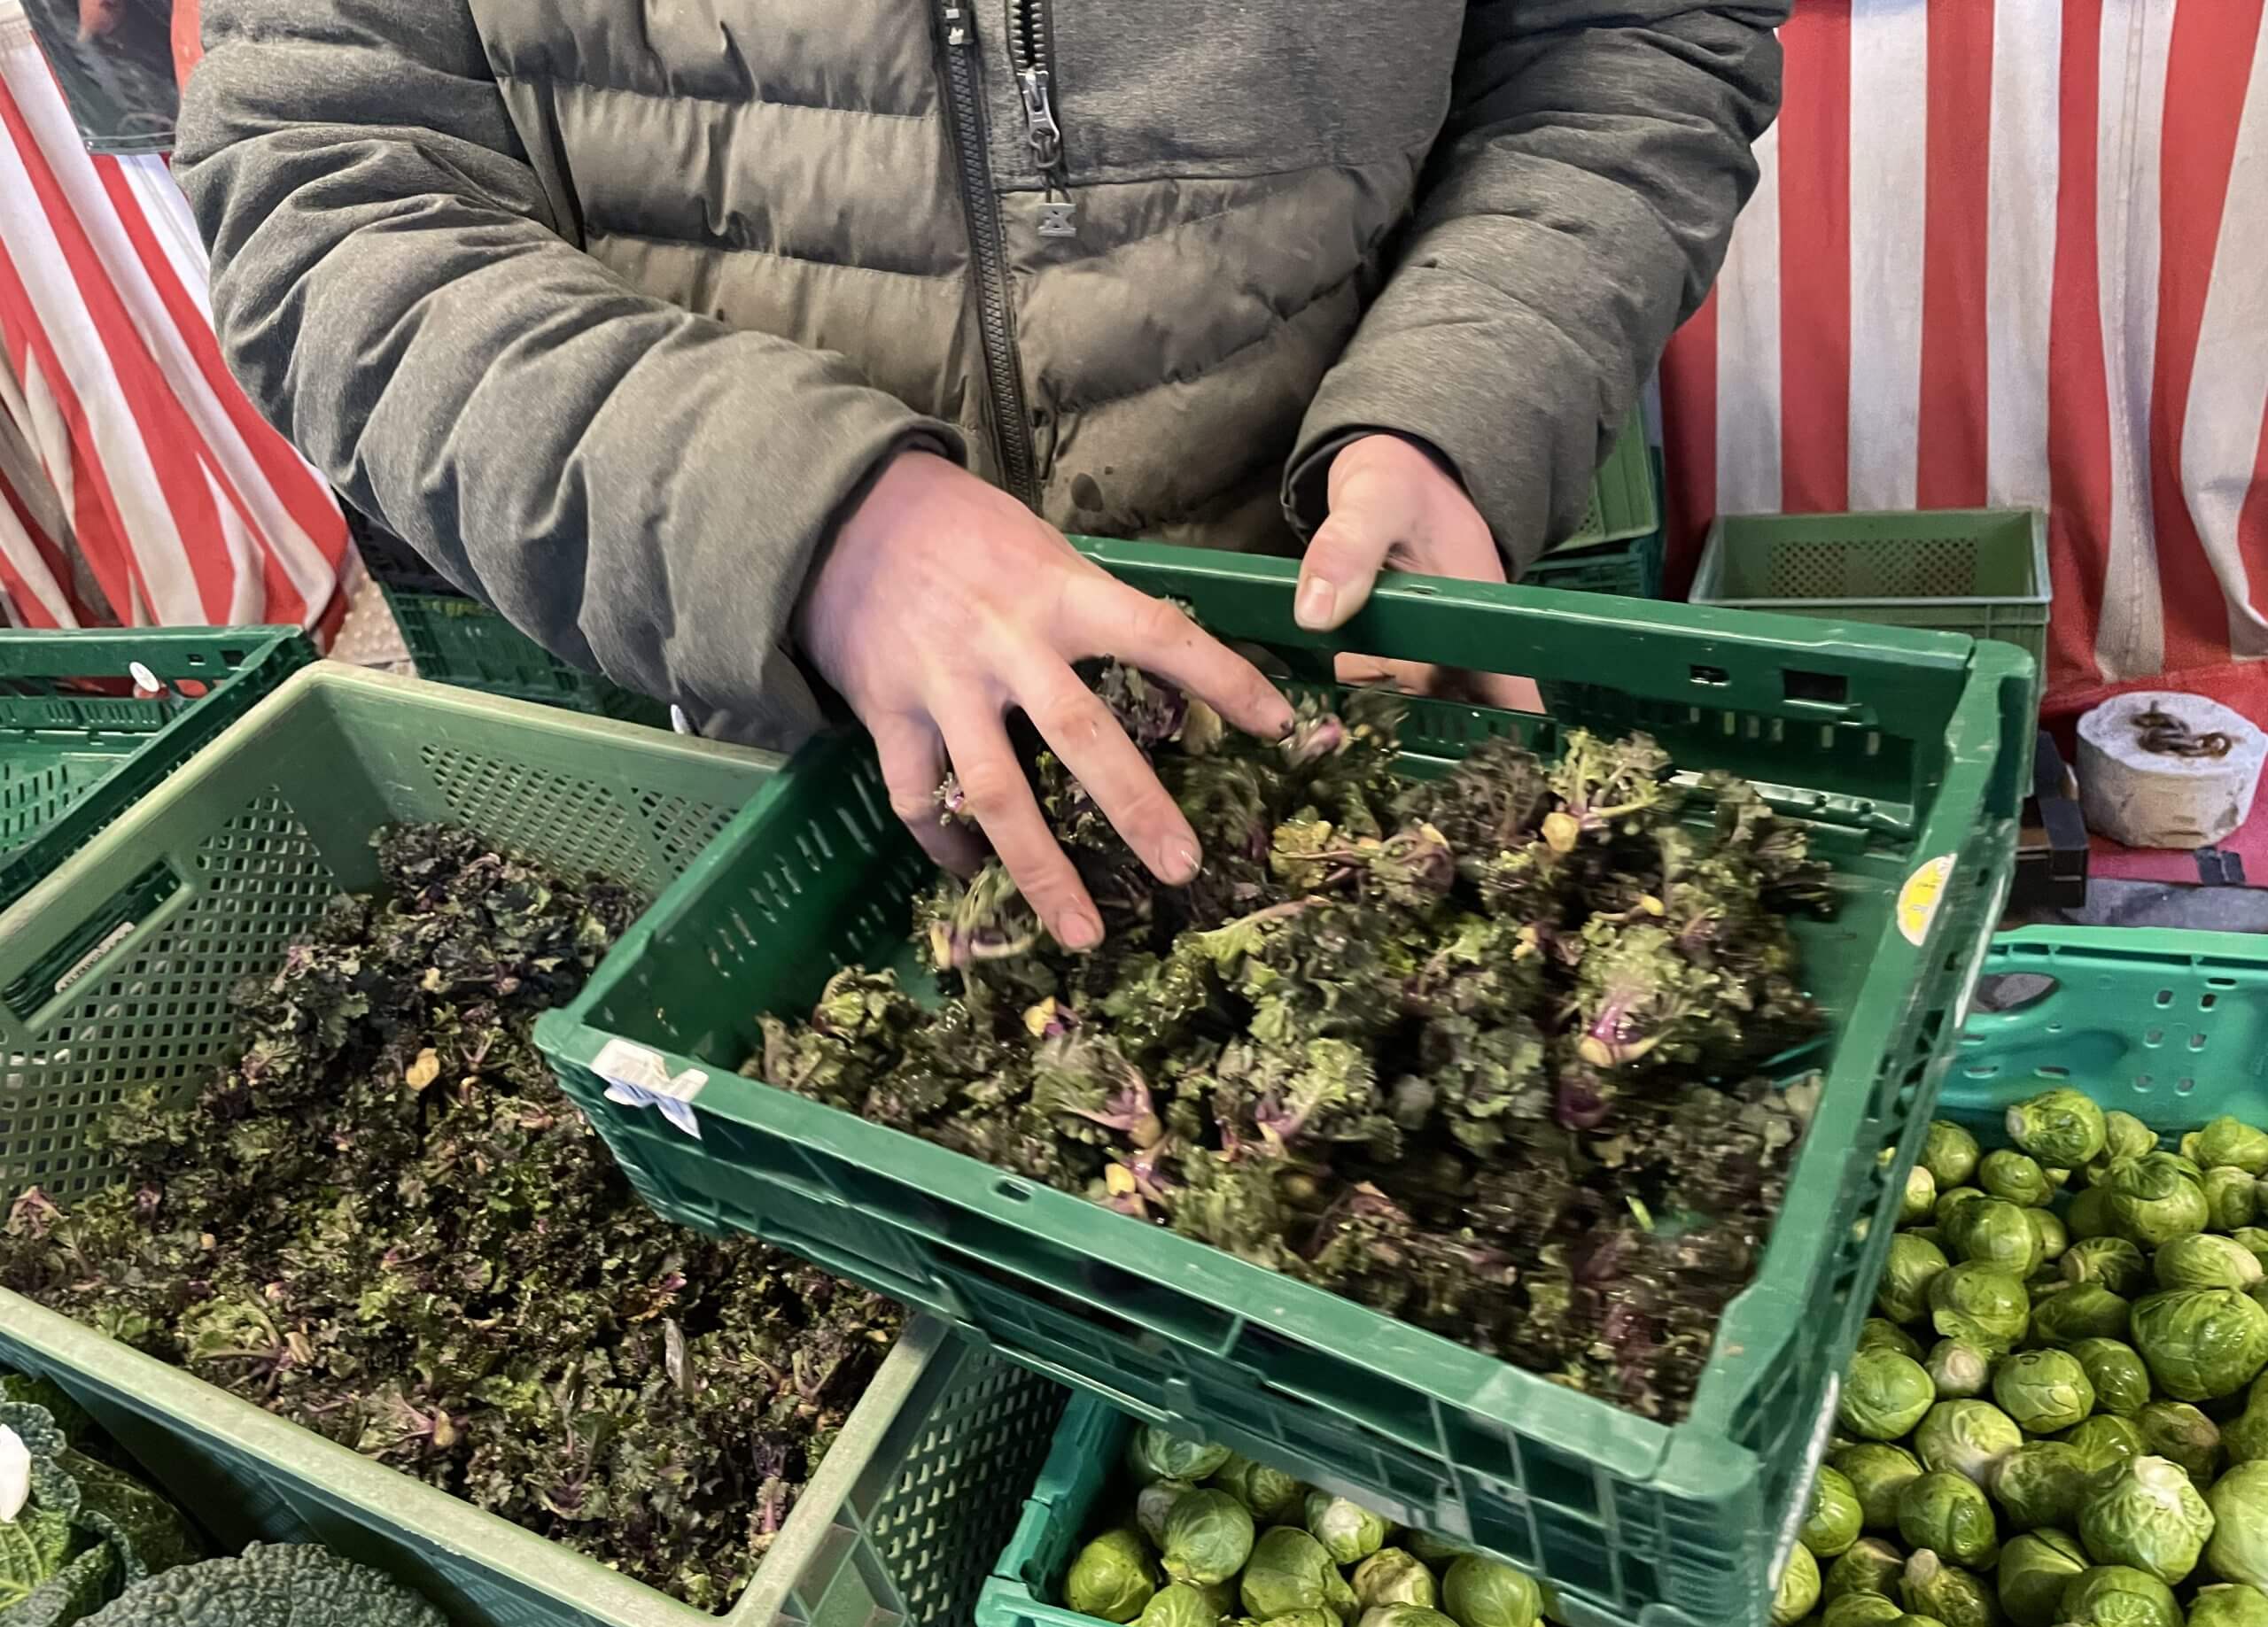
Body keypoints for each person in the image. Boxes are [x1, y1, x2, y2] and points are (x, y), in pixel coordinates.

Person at [173, 0, 1786, 947]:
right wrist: (799, 516)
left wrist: (1465, 391)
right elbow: (324, 192)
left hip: (1324, 644)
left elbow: (1626, 37)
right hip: (788, 709)